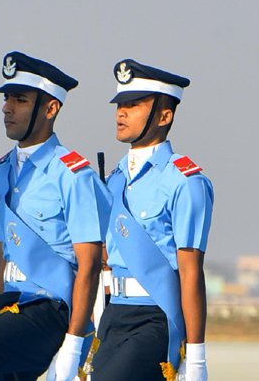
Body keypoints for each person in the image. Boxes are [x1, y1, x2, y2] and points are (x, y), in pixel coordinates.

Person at [0, 52, 110, 381]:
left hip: (55, 310)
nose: (6, 107)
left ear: (50, 109)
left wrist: (73, 343)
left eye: (20, 99)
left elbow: (91, 264)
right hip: (15, 309)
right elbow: (2, 257)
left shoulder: (72, 174)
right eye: (7, 98)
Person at [90, 59, 213, 381]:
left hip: (156, 317)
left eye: (133, 105)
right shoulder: (113, 180)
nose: (121, 113)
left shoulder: (185, 181)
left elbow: (190, 272)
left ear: (164, 115)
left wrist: (196, 356)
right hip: (113, 314)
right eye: (119, 105)